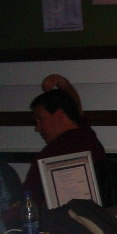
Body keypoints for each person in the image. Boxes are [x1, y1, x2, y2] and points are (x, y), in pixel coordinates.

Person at [22, 74, 106, 214]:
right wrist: (65, 85)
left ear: (60, 115)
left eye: (40, 120)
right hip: (97, 215)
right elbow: (76, 111)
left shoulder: (50, 156)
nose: (37, 128)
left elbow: (28, 202)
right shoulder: (87, 136)